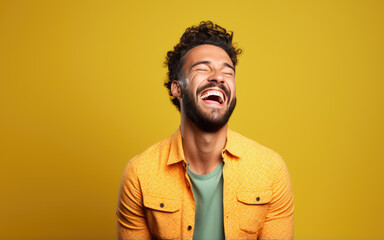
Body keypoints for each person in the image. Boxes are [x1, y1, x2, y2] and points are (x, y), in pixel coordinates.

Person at [117, 21, 294, 240]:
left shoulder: (270, 170)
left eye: (227, 73)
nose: (218, 77)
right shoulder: (140, 174)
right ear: (177, 88)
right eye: (202, 68)